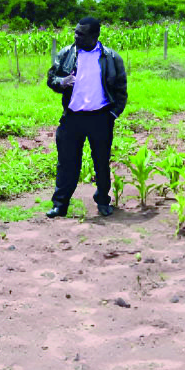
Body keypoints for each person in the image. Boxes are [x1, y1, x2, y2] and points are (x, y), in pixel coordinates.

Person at [46, 17, 128, 219]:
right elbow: (51, 79)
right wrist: (62, 82)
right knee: (67, 162)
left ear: (94, 36)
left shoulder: (110, 57)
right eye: (75, 32)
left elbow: (121, 91)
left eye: (81, 34)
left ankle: (102, 201)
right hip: (72, 118)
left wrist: (112, 115)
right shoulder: (67, 54)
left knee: (101, 162)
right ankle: (60, 205)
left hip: (100, 118)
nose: (76, 36)